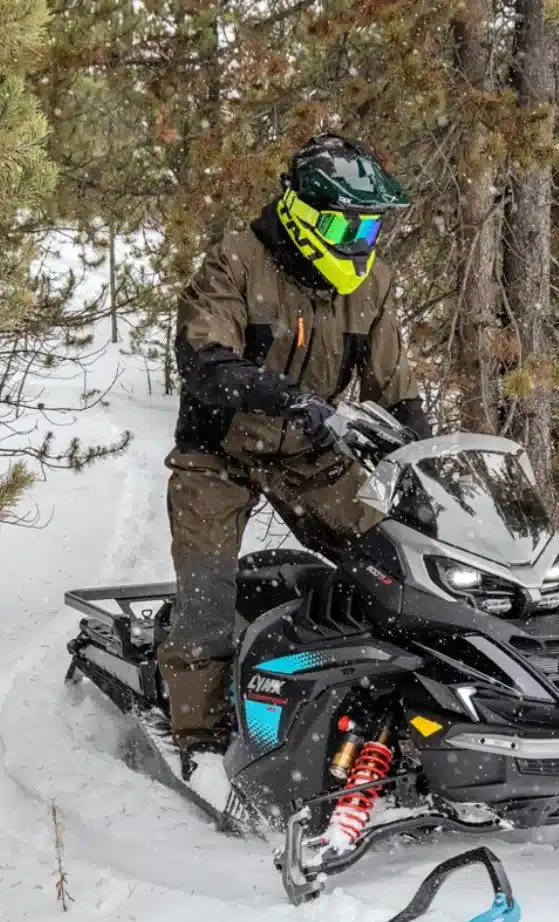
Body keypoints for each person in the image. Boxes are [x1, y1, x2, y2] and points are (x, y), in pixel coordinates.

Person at [160, 134, 431, 761]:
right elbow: (204, 359)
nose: (359, 241)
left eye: (370, 228)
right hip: (220, 451)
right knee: (206, 594)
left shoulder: (372, 284)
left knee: (394, 561)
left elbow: (396, 386)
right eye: (347, 226)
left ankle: (399, 706)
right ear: (306, 216)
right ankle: (200, 739)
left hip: (311, 451)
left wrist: (422, 458)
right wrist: (285, 398)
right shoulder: (235, 262)